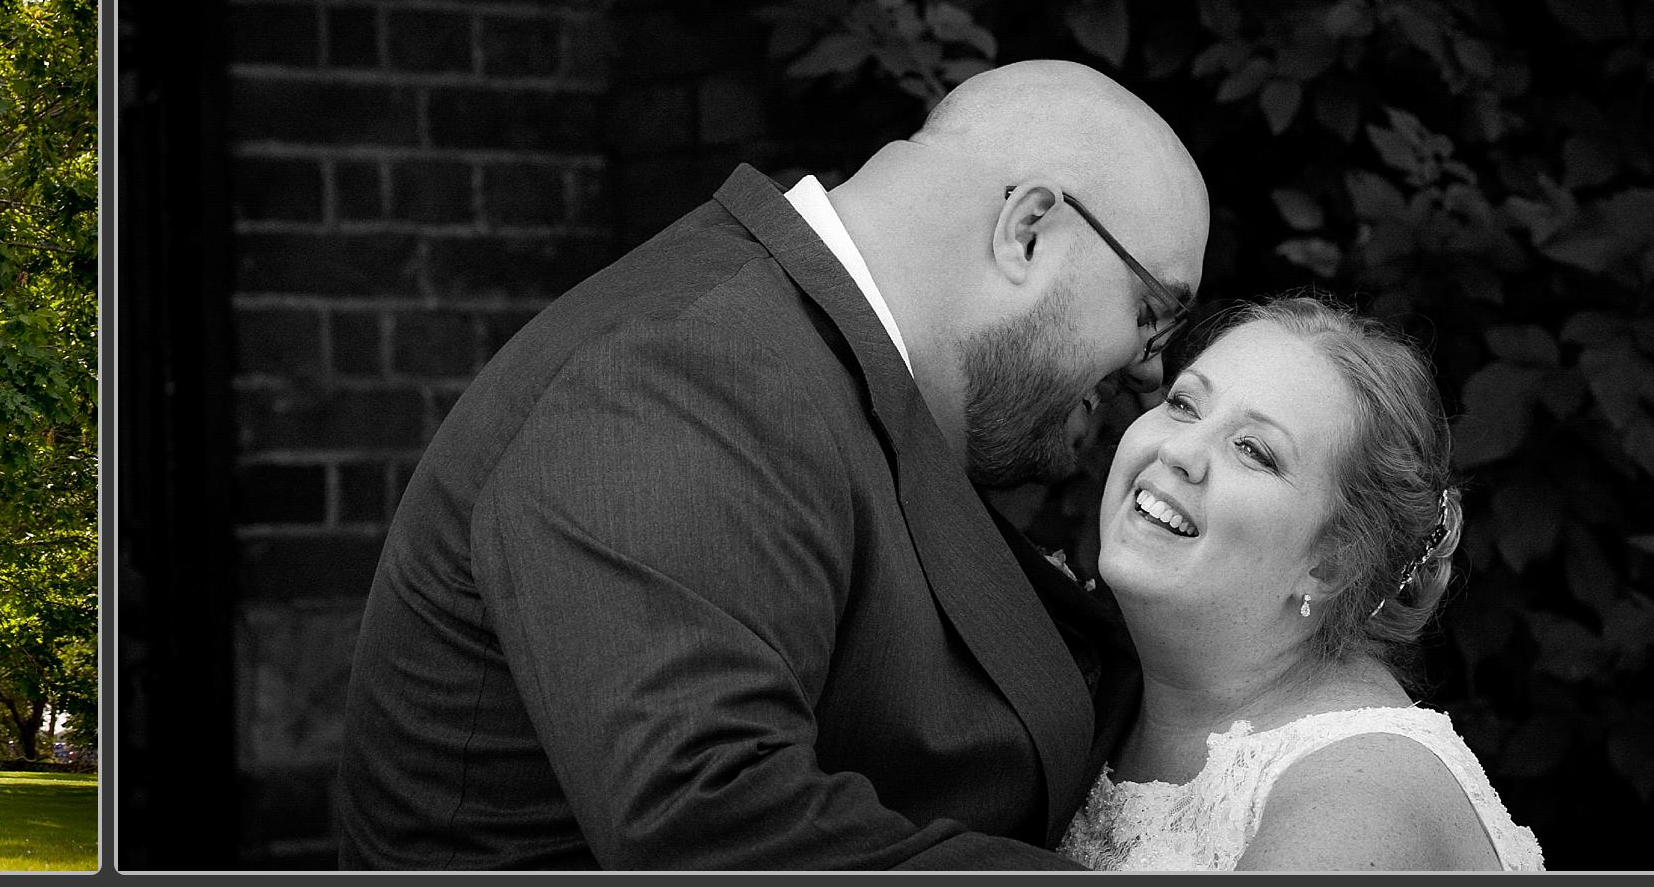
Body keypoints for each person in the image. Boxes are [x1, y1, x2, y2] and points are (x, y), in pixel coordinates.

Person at [337, 60, 1211, 868]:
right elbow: (712, 826)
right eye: (1152, 312)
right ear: (1027, 233)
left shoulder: (813, 362)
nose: (1150, 371)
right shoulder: (684, 372)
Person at [1058, 295, 1543, 870]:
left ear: (1332, 563)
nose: (1178, 449)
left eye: (1254, 451)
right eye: (1184, 404)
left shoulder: (1363, 802)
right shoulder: (1085, 679)